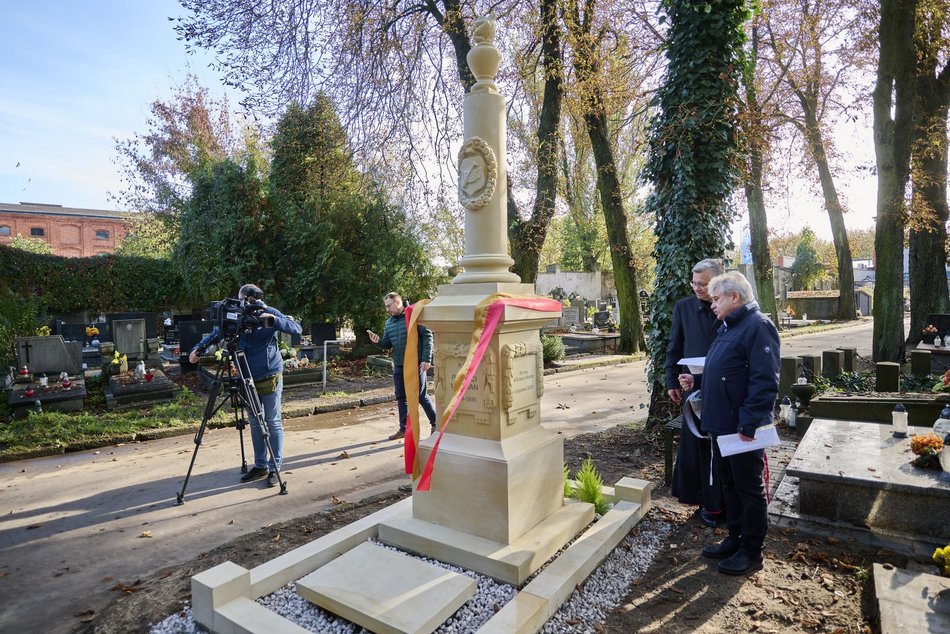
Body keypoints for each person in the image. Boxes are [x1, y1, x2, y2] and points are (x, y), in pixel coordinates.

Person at [679, 271, 780, 576]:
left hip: (741, 430)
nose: (712, 304)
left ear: (734, 297)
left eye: (717, 298)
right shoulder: (728, 326)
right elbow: (725, 370)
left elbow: (765, 382)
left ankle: (751, 551)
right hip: (722, 425)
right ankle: (735, 538)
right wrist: (696, 379)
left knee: (748, 489)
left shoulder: (758, 326)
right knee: (729, 485)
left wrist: (748, 425)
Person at [189, 284, 301, 488]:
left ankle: (275, 465)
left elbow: (296, 329)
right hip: (245, 376)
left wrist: (275, 320)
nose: (248, 305)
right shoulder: (235, 315)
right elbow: (218, 332)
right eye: (244, 301)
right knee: (255, 421)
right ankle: (260, 466)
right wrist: (198, 349)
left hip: (269, 375)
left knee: (272, 420)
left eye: (250, 301)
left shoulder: (269, 312)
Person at [665, 259, 725, 527]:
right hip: (691, 386)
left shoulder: (727, 308)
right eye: (694, 283)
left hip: (722, 388)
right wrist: (671, 382)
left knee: (719, 445)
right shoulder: (683, 308)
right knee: (695, 445)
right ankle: (700, 499)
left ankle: (720, 501)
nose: (697, 288)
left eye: (703, 284)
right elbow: (674, 346)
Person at [367, 292, 437, 440]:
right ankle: (404, 428)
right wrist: (376, 341)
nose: (387, 309)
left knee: (420, 396)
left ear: (398, 301)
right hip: (399, 364)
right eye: (386, 307)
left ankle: (436, 424)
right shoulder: (389, 323)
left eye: (389, 306)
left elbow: (427, 335)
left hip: (416, 363)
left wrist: (426, 359)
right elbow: (386, 344)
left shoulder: (414, 315)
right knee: (401, 397)